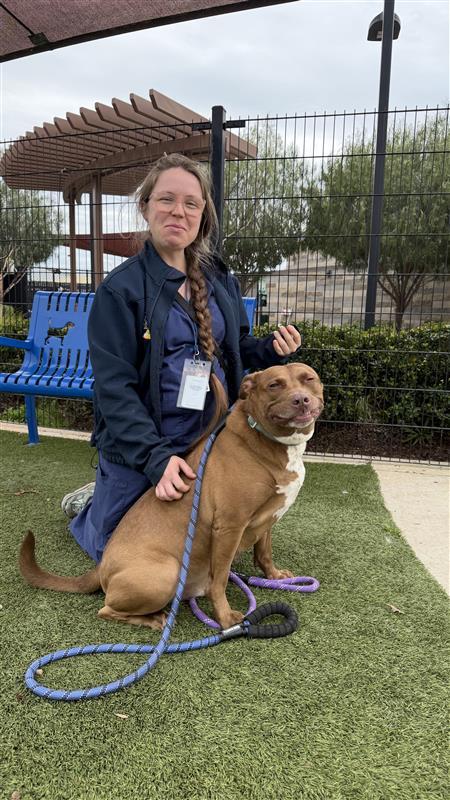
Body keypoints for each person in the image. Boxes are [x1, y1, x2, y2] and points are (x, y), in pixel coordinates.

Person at [62, 153, 301, 563]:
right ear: (146, 206)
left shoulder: (219, 278)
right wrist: (155, 460)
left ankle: (107, 490)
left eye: (191, 203)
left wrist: (267, 349)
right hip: (143, 447)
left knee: (199, 550)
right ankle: (91, 503)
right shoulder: (120, 291)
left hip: (210, 438)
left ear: (203, 214)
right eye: (166, 199)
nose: (179, 211)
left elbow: (234, 349)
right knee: (121, 554)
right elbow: (114, 389)